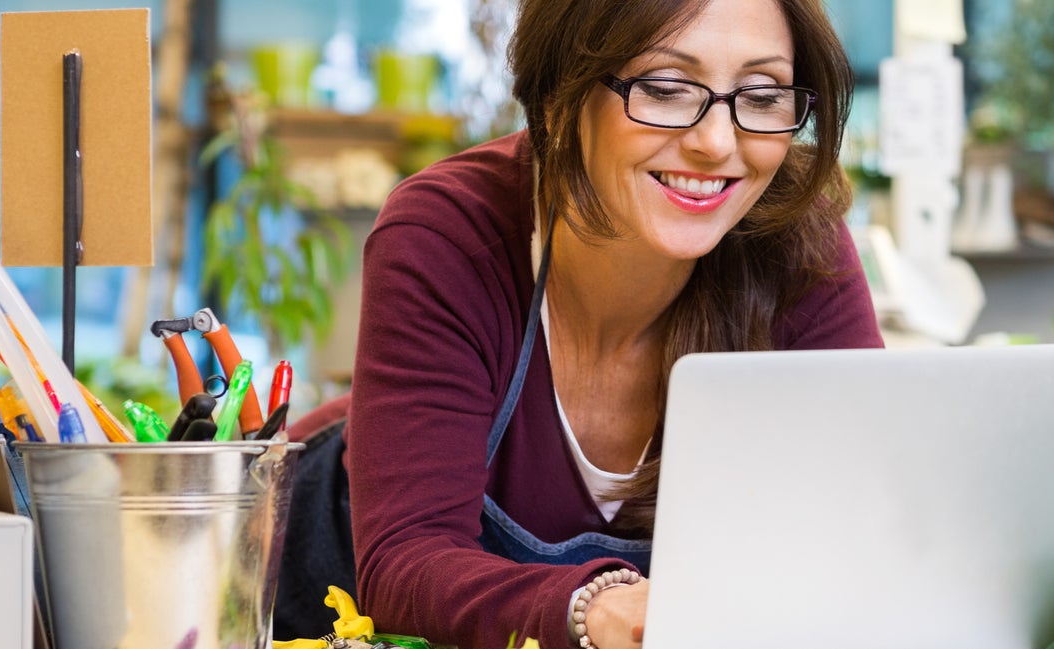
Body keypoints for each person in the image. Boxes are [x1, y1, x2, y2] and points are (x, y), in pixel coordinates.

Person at [344, 0, 879, 647]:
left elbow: (869, 531)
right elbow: (405, 562)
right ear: (559, 96)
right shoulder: (449, 237)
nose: (716, 143)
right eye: (666, 88)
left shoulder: (799, 246)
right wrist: (592, 608)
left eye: (763, 96)